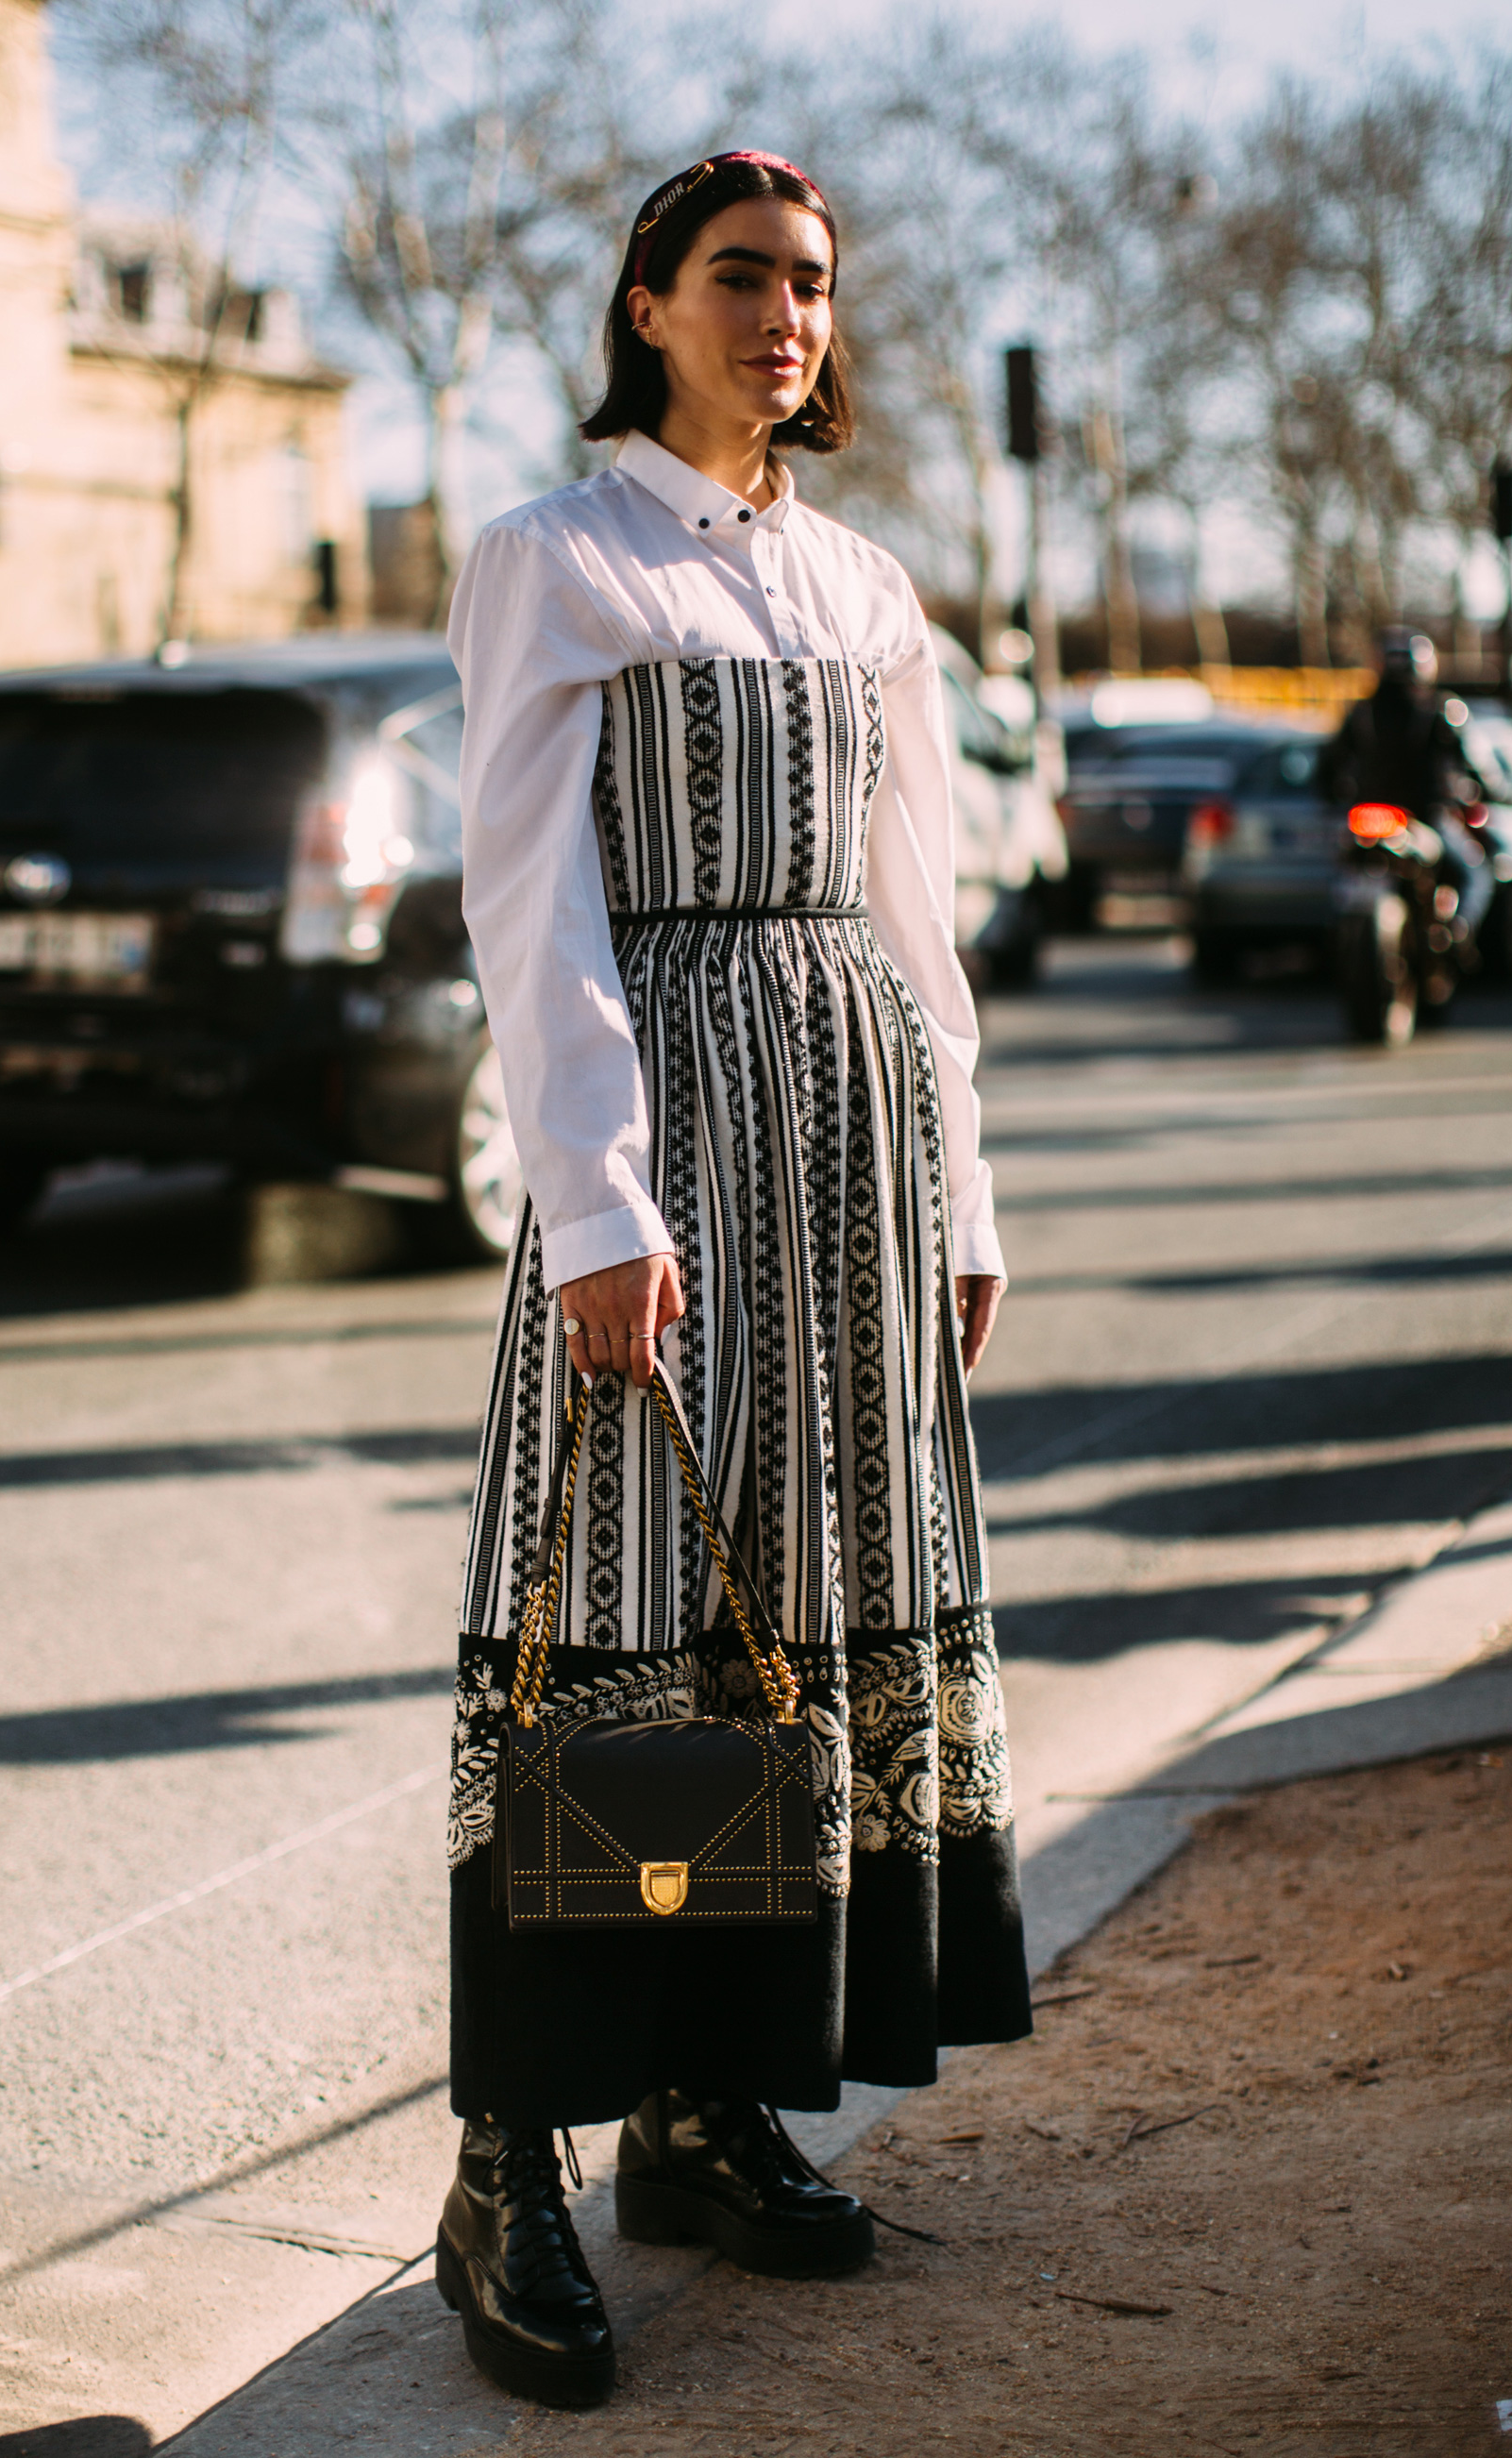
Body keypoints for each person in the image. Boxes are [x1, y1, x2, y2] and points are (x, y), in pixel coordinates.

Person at [438, 151, 1032, 2412]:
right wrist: (596, 1200)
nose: (785, 314)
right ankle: (513, 2155)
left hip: (851, 1140)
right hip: (666, 1131)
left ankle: (707, 2096)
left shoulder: (865, 584)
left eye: (810, 284)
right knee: (604, 1606)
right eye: (740, 279)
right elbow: (528, 903)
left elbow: (919, 923)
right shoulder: (554, 559)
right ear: (645, 305)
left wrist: (959, 1193)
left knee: (778, 1618)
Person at [1319, 629, 1493, 936]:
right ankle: (1455, 932)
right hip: (1426, 814)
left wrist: (1332, 794)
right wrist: (1487, 790)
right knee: (1476, 873)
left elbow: (1329, 763)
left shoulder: (1362, 711)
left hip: (1370, 814)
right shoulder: (1441, 709)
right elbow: (1472, 760)